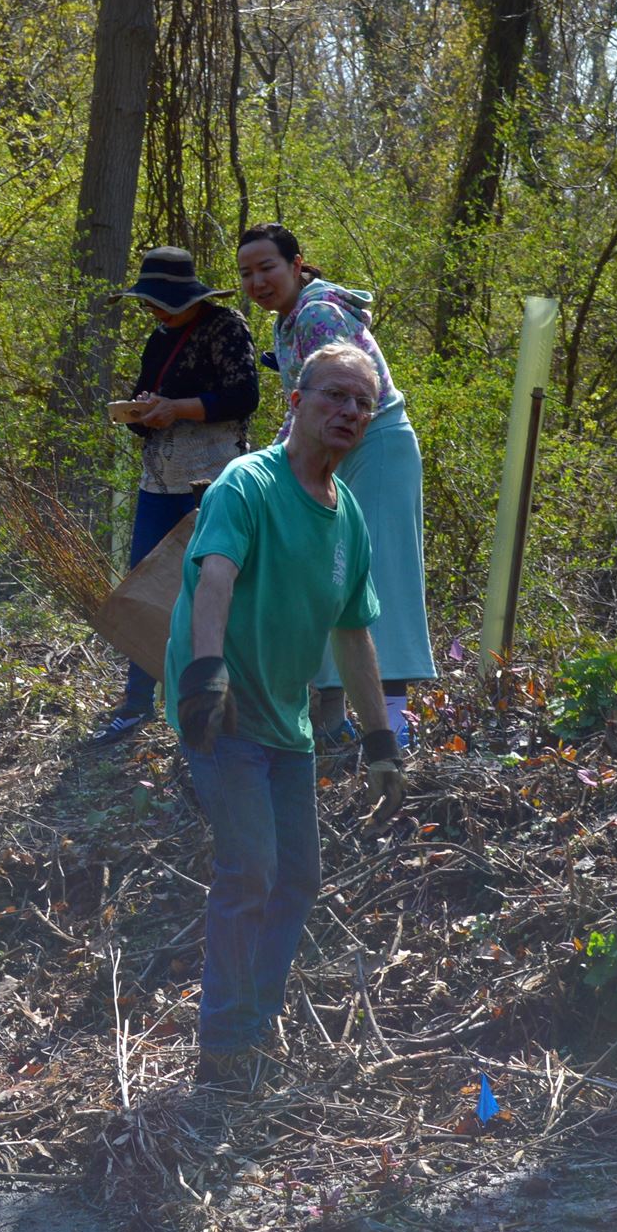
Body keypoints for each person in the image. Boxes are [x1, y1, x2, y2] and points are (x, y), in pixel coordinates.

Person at [168, 342, 405, 1089]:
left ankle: (256, 1021)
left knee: (298, 873)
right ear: (296, 402)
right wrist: (207, 676)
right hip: (226, 706)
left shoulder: (350, 518)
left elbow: (354, 631)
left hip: (286, 716)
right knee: (252, 871)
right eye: (334, 395)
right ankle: (224, 1048)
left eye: (361, 403)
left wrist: (379, 738)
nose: (348, 412)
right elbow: (216, 577)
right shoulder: (249, 483)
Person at [234, 223, 432, 749]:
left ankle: (391, 720)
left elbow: (340, 397)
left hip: (376, 445)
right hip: (335, 449)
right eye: (246, 273)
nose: (257, 281)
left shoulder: (318, 313)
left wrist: (277, 462)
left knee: (377, 576)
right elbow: (306, 410)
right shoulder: (289, 321)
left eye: (267, 268)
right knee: (326, 571)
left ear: (297, 265)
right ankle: (330, 710)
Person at [91, 245, 260, 745]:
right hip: (158, 479)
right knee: (145, 583)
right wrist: (144, 412)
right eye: (149, 303)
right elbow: (149, 399)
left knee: (215, 583)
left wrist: (178, 408)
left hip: (213, 479)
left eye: (160, 302)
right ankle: (138, 699)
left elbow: (242, 395)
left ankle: (223, 698)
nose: (153, 311)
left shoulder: (225, 327)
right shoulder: (157, 339)